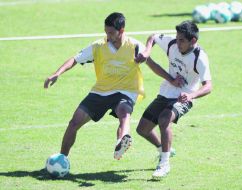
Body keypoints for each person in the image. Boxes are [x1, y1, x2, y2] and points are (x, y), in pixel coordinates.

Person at [44, 12, 174, 161]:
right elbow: (75, 59)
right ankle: (62, 158)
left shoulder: (135, 46)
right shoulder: (98, 46)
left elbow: (153, 66)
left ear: (122, 30)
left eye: (111, 33)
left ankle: (122, 140)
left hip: (127, 90)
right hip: (101, 91)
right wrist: (57, 73)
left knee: (124, 113)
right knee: (74, 122)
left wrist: (171, 79)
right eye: (106, 32)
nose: (108, 36)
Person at [135, 20, 212, 178]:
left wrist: (191, 95)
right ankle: (165, 148)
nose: (177, 43)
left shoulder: (200, 57)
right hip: (166, 92)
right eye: (176, 39)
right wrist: (148, 51)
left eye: (181, 40)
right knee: (142, 129)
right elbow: (153, 37)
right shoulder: (172, 43)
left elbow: (208, 86)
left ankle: (164, 164)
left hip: (185, 96)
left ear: (193, 41)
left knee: (164, 120)